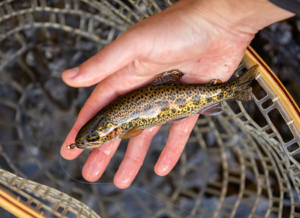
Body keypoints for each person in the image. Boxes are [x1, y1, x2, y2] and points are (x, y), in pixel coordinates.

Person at [60, 0, 294, 189]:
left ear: (110, 130)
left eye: (92, 139)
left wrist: (221, 22)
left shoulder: (119, 128)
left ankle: (232, 89)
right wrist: (223, 21)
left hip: (181, 94)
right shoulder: (116, 125)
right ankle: (232, 89)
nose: (90, 143)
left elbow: (136, 131)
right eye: (92, 140)